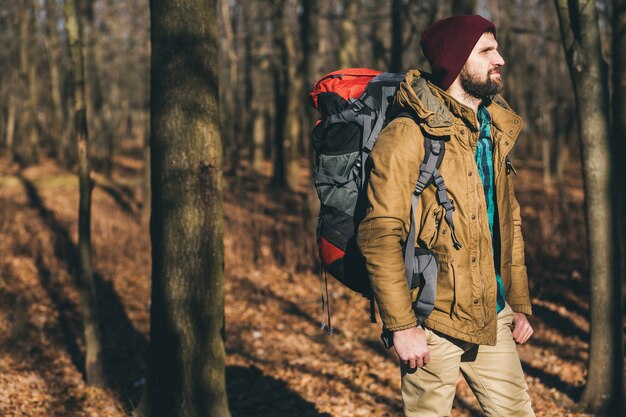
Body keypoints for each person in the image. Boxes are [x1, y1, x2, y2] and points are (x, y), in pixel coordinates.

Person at [357, 15, 535, 417]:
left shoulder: (492, 129)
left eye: (497, 49)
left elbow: (509, 221)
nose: (500, 59)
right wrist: (402, 326)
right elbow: (380, 233)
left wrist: (518, 300)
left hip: (492, 309)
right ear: (456, 63)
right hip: (433, 319)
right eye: (487, 50)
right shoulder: (409, 133)